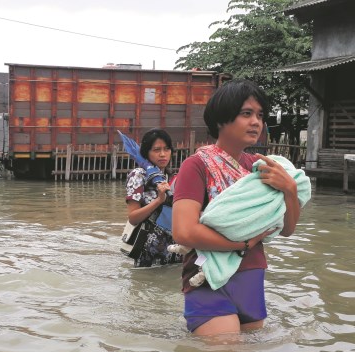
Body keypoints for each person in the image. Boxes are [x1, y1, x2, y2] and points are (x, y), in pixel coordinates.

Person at [172, 79, 301, 336]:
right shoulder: (196, 165)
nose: (256, 122)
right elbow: (183, 232)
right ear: (221, 119)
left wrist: (291, 190)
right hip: (207, 274)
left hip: (251, 275)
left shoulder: (261, 167)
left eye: (260, 115)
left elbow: (286, 230)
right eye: (246, 113)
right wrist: (242, 245)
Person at [125, 128, 183, 267]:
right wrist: (158, 201)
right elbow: (133, 218)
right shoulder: (138, 175)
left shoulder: (172, 178)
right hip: (148, 251)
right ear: (146, 153)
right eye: (156, 150)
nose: (163, 154)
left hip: (175, 249)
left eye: (167, 149)